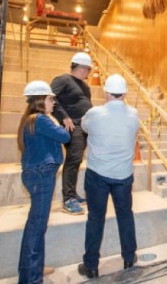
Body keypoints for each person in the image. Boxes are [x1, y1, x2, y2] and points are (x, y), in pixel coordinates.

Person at [77, 74, 140, 279]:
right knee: (125, 215)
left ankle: (91, 266)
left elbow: (85, 127)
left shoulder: (94, 113)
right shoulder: (134, 114)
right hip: (123, 175)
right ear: (125, 93)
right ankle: (129, 257)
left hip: (98, 175)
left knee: (95, 218)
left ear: (105, 92)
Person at [17, 81, 70, 284]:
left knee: (36, 225)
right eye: (50, 98)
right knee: (37, 226)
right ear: (40, 100)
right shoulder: (41, 119)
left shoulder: (31, 119)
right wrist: (60, 123)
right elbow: (64, 136)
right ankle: (31, 278)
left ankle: (33, 268)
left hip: (37, 175)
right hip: (41, 176)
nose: (53, 102)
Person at [51, 52, 93, 215]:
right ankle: (68, 199)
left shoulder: (85, 86)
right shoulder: (63, 80)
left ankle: (73, 194)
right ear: (76, 66)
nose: (87, 72)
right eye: (85, 68)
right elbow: (50, 98)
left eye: (88, 69)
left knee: (77, 160)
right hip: (73, 126)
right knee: (73, 159)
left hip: (84, 126)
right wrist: (64, 117)